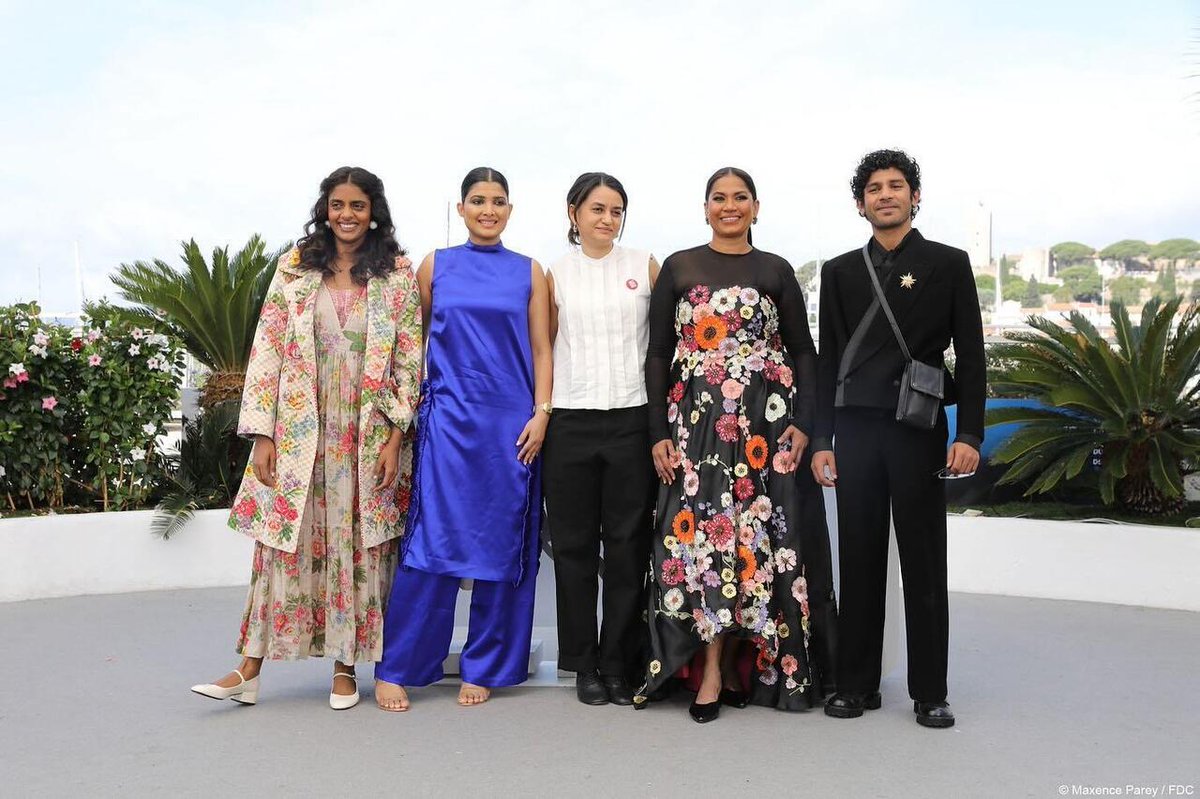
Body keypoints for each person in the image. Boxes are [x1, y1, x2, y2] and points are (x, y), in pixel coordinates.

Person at [191, 166, 422, 710]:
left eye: (358, 205)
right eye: (338, 205)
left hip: (365, 432)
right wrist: (262, 433)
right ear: (325, 209)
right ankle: (248, 669)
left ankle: (345, 668)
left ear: (374, 212)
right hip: (300, 428)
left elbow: (410, 358)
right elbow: (267, 349)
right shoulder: (294, 268)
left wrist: (394, 436)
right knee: (281, 545)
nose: (347, 215)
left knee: (355, 543)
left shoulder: (396, 273)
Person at [634, 167, 836, 723]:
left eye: (740, 197)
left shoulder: (776, 269)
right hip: (694, 431)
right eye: (719, 198)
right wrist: (657, 432)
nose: (730, 206)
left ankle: (740, 667)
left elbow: (804, 351)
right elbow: (657, 354)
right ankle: (708, 672)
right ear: (705, 208)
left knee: (758, 543)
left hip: (765, 433)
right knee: (699, 543)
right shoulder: (679, 267)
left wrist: (805, 423)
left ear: (756, 206)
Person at [811, 149, 985, 729]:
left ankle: (931, 690)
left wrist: (971, 433)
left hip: (919, 426)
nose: (885, 195)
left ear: (915, 196)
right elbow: (829, 358)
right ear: (860, 204)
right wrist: (822, 439)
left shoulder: (948, 263)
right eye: (874, 188)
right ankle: (855, 684)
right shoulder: (839, 271)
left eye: (895, 185)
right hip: (857, 430)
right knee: (859, 558)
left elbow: (973, 355)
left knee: (924, 561)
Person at [374, 167, 552, 711]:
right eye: (478, 200)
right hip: (447, 423)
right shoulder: (435, 265)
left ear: (510, 210)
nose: (488, 210)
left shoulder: (530, 271)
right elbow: (410, 345)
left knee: (501, 545)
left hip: (511, 428)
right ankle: (399, 666)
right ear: (461, 208)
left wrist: (542, 413)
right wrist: (400, 420)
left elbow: (542, 349)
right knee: (433, 543)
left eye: (498, 201)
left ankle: (486, 665)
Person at [542, 172, 658, 706]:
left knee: (629, 546)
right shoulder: (555, 274)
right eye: (597, 209)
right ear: (574, 213)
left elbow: (663, 345)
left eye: (616, 211)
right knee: (574, 549)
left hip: (632, 419)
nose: (607, 219)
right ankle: (583, 664)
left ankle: (618, 663)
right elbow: (543, 349)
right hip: (570, 422)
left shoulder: (645, 266)